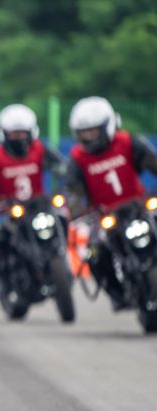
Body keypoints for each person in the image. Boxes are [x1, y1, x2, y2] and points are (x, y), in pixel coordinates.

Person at [66, 96, 157, 309]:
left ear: (107, 126)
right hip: (104, 216)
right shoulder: (78, 158)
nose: (88, 137)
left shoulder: (128, 142)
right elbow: (74, 191)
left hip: (139, 207)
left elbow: (152, 162)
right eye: (83, 132)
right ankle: (117, 293)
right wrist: (77, 209)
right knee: (96, 254)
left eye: (93, 131)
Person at [0, 104, 66, 278]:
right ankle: (5, 275)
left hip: (38, 206)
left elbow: (62, 168)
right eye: (13, 134)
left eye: (22, 133)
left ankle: (62, 256)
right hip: (8, 210)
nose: (18, 138)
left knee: (61, 219)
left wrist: (67, 187)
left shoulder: (40, 149)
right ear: (4, 134)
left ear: (31, 132)